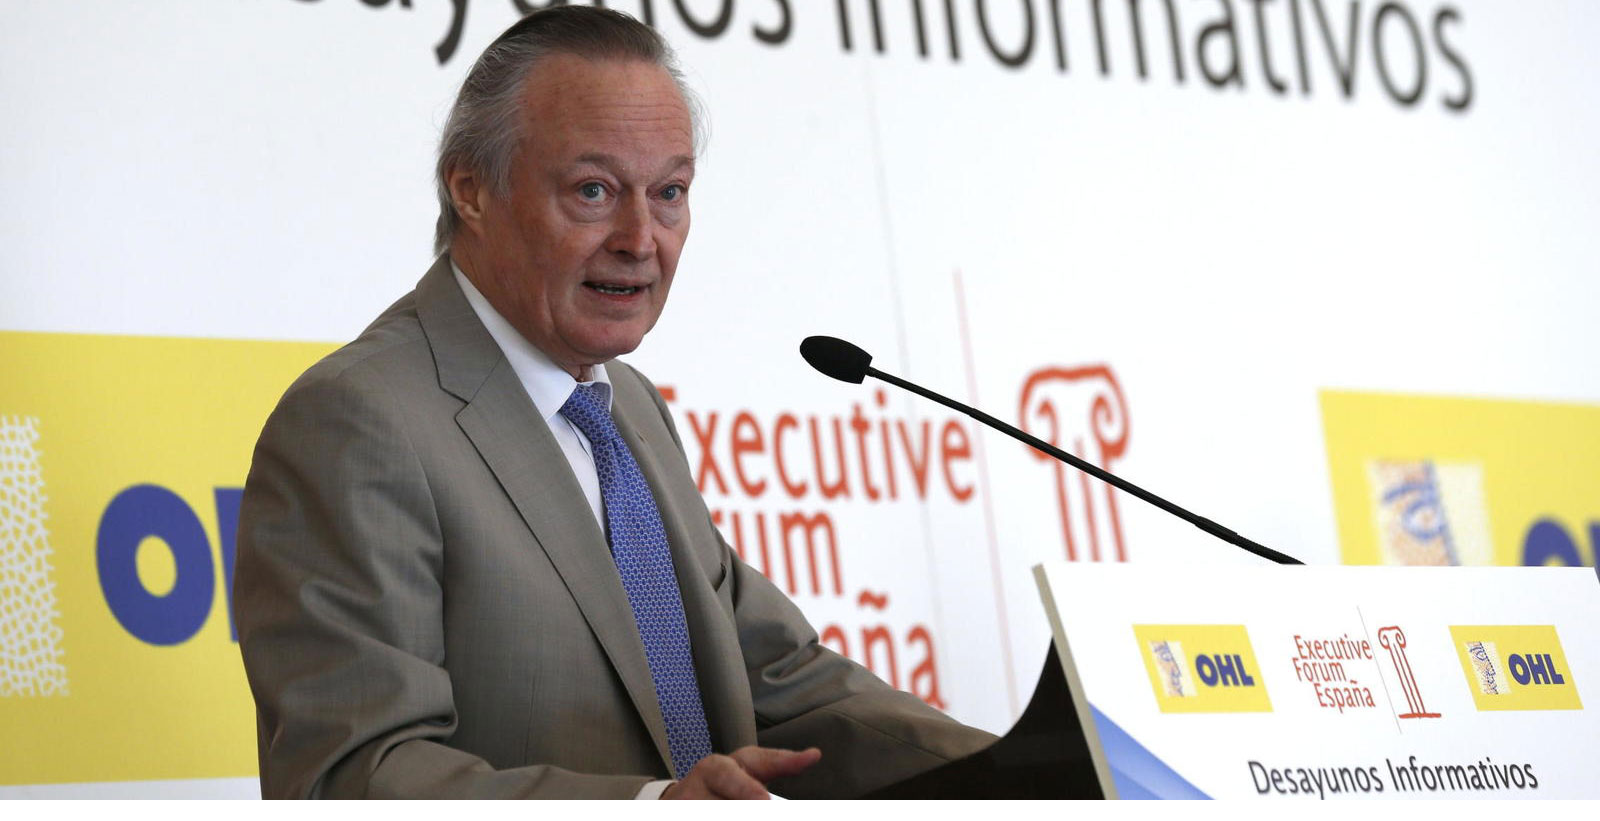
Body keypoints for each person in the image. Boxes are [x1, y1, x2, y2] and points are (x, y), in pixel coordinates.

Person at [234, 6, 994, 800]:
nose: (640, 238)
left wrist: (1028, 769)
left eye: (669, 192)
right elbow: (351, 773)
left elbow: (780, 679)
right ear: (471, 189)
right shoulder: (359, 421)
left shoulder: (624, 406)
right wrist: (650, 806)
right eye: (593, 190)